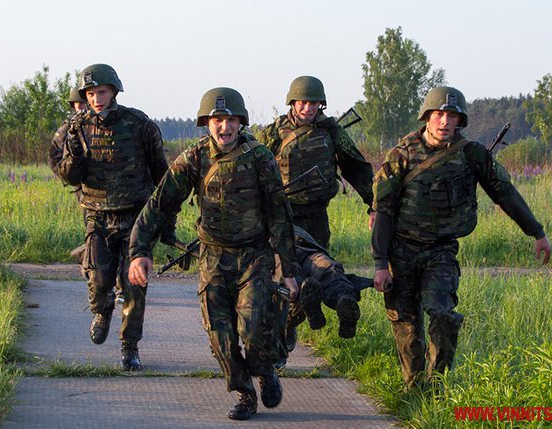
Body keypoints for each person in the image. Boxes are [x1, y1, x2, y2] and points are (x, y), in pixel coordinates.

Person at [128, 87, 299, 421]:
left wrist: (288, 268)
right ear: (207, 123)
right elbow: (161, 203)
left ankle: (264, 369)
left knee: (251, 331)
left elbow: (280, 214)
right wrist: (139, 250)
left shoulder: (260, 157)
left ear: (241, 122)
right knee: (219, 336)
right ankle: (244, 393)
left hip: (254, 256)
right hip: (213, 258)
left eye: (231, 119)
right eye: (218, 120)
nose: (225, 127)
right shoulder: (194, 158)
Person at [371, 86, 552, 392]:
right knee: (405, 322)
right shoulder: (401, 155)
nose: (444, 121)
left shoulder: (471, 155)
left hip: (441, 251)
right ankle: (413, 389)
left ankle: (437, 384)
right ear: (427, 117)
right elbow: (384, 211)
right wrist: (380, 263)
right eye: (439, 114)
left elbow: (504, 194)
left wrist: (536, 232)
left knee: (442, 314)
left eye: (451, 115)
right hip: (401, 250)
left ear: (460, 120)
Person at [56, 63, 173, 371]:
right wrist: (72, 149)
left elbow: (162, 173)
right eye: (91, 93)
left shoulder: (139, 124)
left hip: (136, 216)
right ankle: (102, 309)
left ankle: (130, 346)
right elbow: (70, 177)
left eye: (102, 92)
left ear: (114, 92)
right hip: (96, 215)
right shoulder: (77, 127)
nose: (96, 99)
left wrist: (166, 220)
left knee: (134, 285)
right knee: (98, 280)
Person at [259, 75, 375, 249]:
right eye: (303, 102)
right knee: (284, 266)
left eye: (314, 103)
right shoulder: (274, 133)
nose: (308, 108)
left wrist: (373, 205)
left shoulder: (331, 131)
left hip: (317, 215)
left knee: (319, 266)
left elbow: (356, 168)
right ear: (293, 102)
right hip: (283, 213)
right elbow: (256, 171)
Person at [49, 86, 125, 304]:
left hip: (112, 192)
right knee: (96, 237)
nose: (85, 107)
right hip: (85, 193)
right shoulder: (68, 130)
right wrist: (71, 173)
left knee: (120, 241)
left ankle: (118, 285)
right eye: (80, 104)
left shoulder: (105, 125)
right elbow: (55, 157)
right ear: (74, 106)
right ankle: (95, 275)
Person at [275, 225, 370, 369]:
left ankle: (340, 300)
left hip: (293, 246)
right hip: (295, 247)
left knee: (316, 271)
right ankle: (340, 295)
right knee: (326, 269)